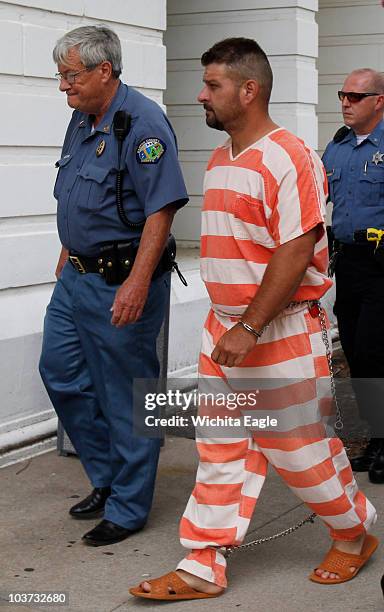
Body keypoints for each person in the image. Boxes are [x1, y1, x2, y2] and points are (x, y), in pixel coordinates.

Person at [129, 38, 377, 601]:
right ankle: (203, 562)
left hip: (278, 330)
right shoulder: (222, 158)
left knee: (302, 451)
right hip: (227, 330)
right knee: (220, 449)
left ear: (249, 89)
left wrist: (251, 327)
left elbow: (297, 248)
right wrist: (229, 326)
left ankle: (354, 532)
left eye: (213, 85)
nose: (201, 95)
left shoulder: (289, 156)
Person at [39, 25, 188, 546]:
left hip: (122, 279)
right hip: (75, 277)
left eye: (70, 75)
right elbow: (75, 190)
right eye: (61, 75)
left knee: (129, 397)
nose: (63, 86)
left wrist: (139, 283)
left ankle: (128, 506)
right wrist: (66, 251)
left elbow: (161, 208)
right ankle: (107, 478)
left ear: (105, 70)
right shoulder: (82, 119)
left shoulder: (142, 124)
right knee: (60, 373)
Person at [322, 69, 384, 483]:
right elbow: (315, 195)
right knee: (358, 356)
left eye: (356, 97)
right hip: (348, 263)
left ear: (378, 100)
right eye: (343, 94)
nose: (345, 102)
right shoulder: (338, 146)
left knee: (375, 351)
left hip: (382, 264)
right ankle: (376, 436)